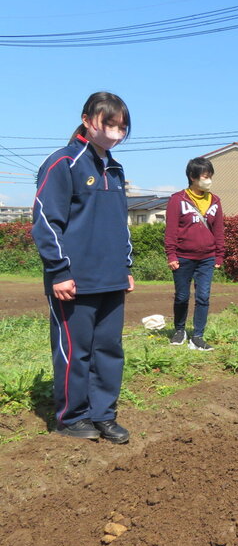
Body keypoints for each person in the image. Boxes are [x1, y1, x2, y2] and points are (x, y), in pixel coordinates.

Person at [31, 92, 134, 443]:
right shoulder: (63, 163)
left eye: (122, 127)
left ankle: (103, 414)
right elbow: (46, 221)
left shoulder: (116, 169)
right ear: (88, 120)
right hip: (73, 280)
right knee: (75, 352)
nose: (116, 133)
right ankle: (71, 417)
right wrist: (58, 272)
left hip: (111, 278)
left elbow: (121, 224)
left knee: (108, 350)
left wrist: (126, 266)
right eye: (109, 124)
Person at [164, 156, 225, 352]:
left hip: (207, 258)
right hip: (182, 258)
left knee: (203, 297)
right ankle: (179, 330)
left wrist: (219, 255)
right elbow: (171, 230)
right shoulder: (178, 200)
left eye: (210, 176)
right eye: (205, 176)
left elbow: (219, 230)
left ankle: (197, 336)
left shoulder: (215, 201)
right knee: (182, 296)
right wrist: (171, 255)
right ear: (192, 176)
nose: (208, 180)